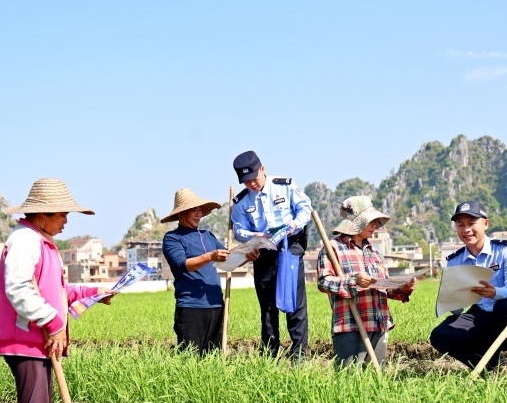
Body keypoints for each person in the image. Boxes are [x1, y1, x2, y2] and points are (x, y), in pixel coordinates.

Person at [0, 178, 114, 403]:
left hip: (38, 340)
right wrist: (54, 322)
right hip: (26, 340)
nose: (66, 221)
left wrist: (94, 292)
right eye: (63, 215)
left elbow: (55, 292)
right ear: (44, 214)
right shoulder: (25, 241)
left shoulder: (42, 242)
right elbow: (19, 288)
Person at [429, 200, 507, 377]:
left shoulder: (505, 250)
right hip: (482, 316)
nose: (466, 230)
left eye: (471, 223)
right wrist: (451, 299)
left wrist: (495, 292)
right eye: (460, 225)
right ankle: (489, 365)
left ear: (485, 223)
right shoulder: (455, 260)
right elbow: (457, 310)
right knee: (440, 335)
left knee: (506, 305)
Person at [230, 151, 312, 359]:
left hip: (289, 248)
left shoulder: (285, 185)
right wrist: (255, 234)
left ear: (263, 169)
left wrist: (294, 224)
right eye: (246, 182)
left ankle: (299, 356)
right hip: (263, 253)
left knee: (294, 304)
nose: (252, 185)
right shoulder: (240, 202)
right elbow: (239, 231)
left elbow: (305, 208)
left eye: (254, 179)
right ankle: (270, 356)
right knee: (267, 308)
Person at [317, 196, 416, 367]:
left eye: (376, 222)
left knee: (376, 379)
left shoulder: (375, 254)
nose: (375, 226)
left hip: (378, 323)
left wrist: (403, 288)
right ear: (355, 222)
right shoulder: (333, 249)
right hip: (349, 324)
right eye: (370, 221)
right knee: (349, 380)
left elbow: (385, 289)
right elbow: (324, 282)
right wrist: (354, 281)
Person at [161, 188, 229, 355]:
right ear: (182, 213)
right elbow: (183, 265)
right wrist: (210, 256)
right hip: (191, 306)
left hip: (216, 305)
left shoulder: (209, 236)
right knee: (190, 358)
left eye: (200, 209)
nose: (198, 214)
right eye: (194, 210)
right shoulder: (172, 238)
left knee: (213, 358)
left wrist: (247, 255)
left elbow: (227, 259)